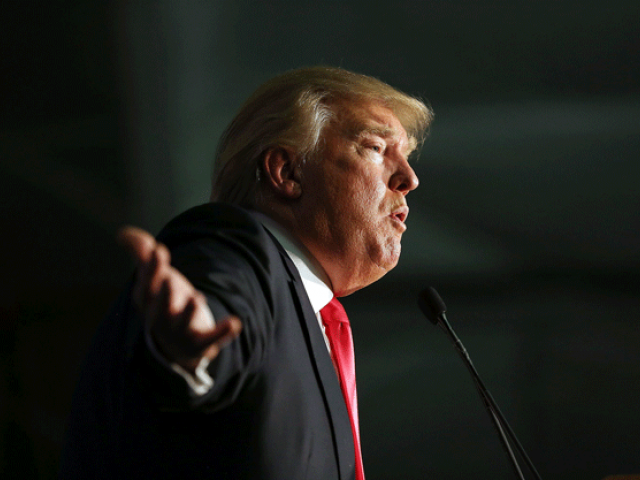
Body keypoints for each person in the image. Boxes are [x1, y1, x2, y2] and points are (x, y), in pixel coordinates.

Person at [60, 66, 433, 479]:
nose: (409, 178)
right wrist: (193, 350)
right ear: (287, 173)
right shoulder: (234, 248)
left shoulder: (311, 315)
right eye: (376, 148)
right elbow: (222, 300)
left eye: (407, 156)